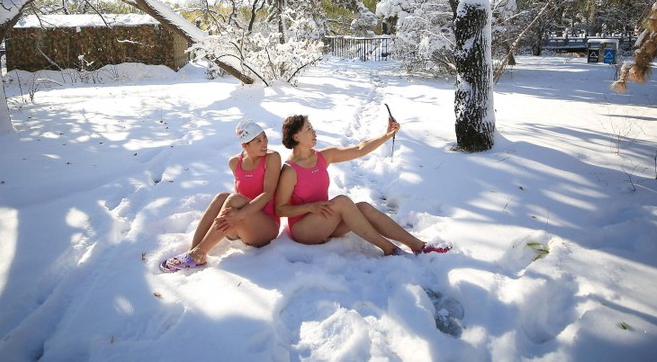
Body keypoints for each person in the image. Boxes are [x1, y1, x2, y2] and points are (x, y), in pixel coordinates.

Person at [275, 114, 450, 256]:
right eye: (308, 129)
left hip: (326, 220)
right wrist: (310, 207)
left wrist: (387, 135)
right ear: (296, 136)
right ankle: (389, 248)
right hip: (304, 230)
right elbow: (280, 209)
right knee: (343, 202)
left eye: (312, 127)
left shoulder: (322, 156)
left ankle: (418, 245)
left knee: (364, 208)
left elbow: (359, 149)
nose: (314, 132)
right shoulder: (291, 170)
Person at [160, 120, 282, 272]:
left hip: (265, 228)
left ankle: (199, 253)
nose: (264, 143)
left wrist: (239, 214)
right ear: (245, 145)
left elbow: (267, 193)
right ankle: (195, 252)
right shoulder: (234, 162)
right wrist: (235, 216)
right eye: (258, 140)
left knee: (233, 198)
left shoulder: (272, 158)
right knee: (221, 197)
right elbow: (238, 195)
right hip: (241, 226)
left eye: (265, 137)